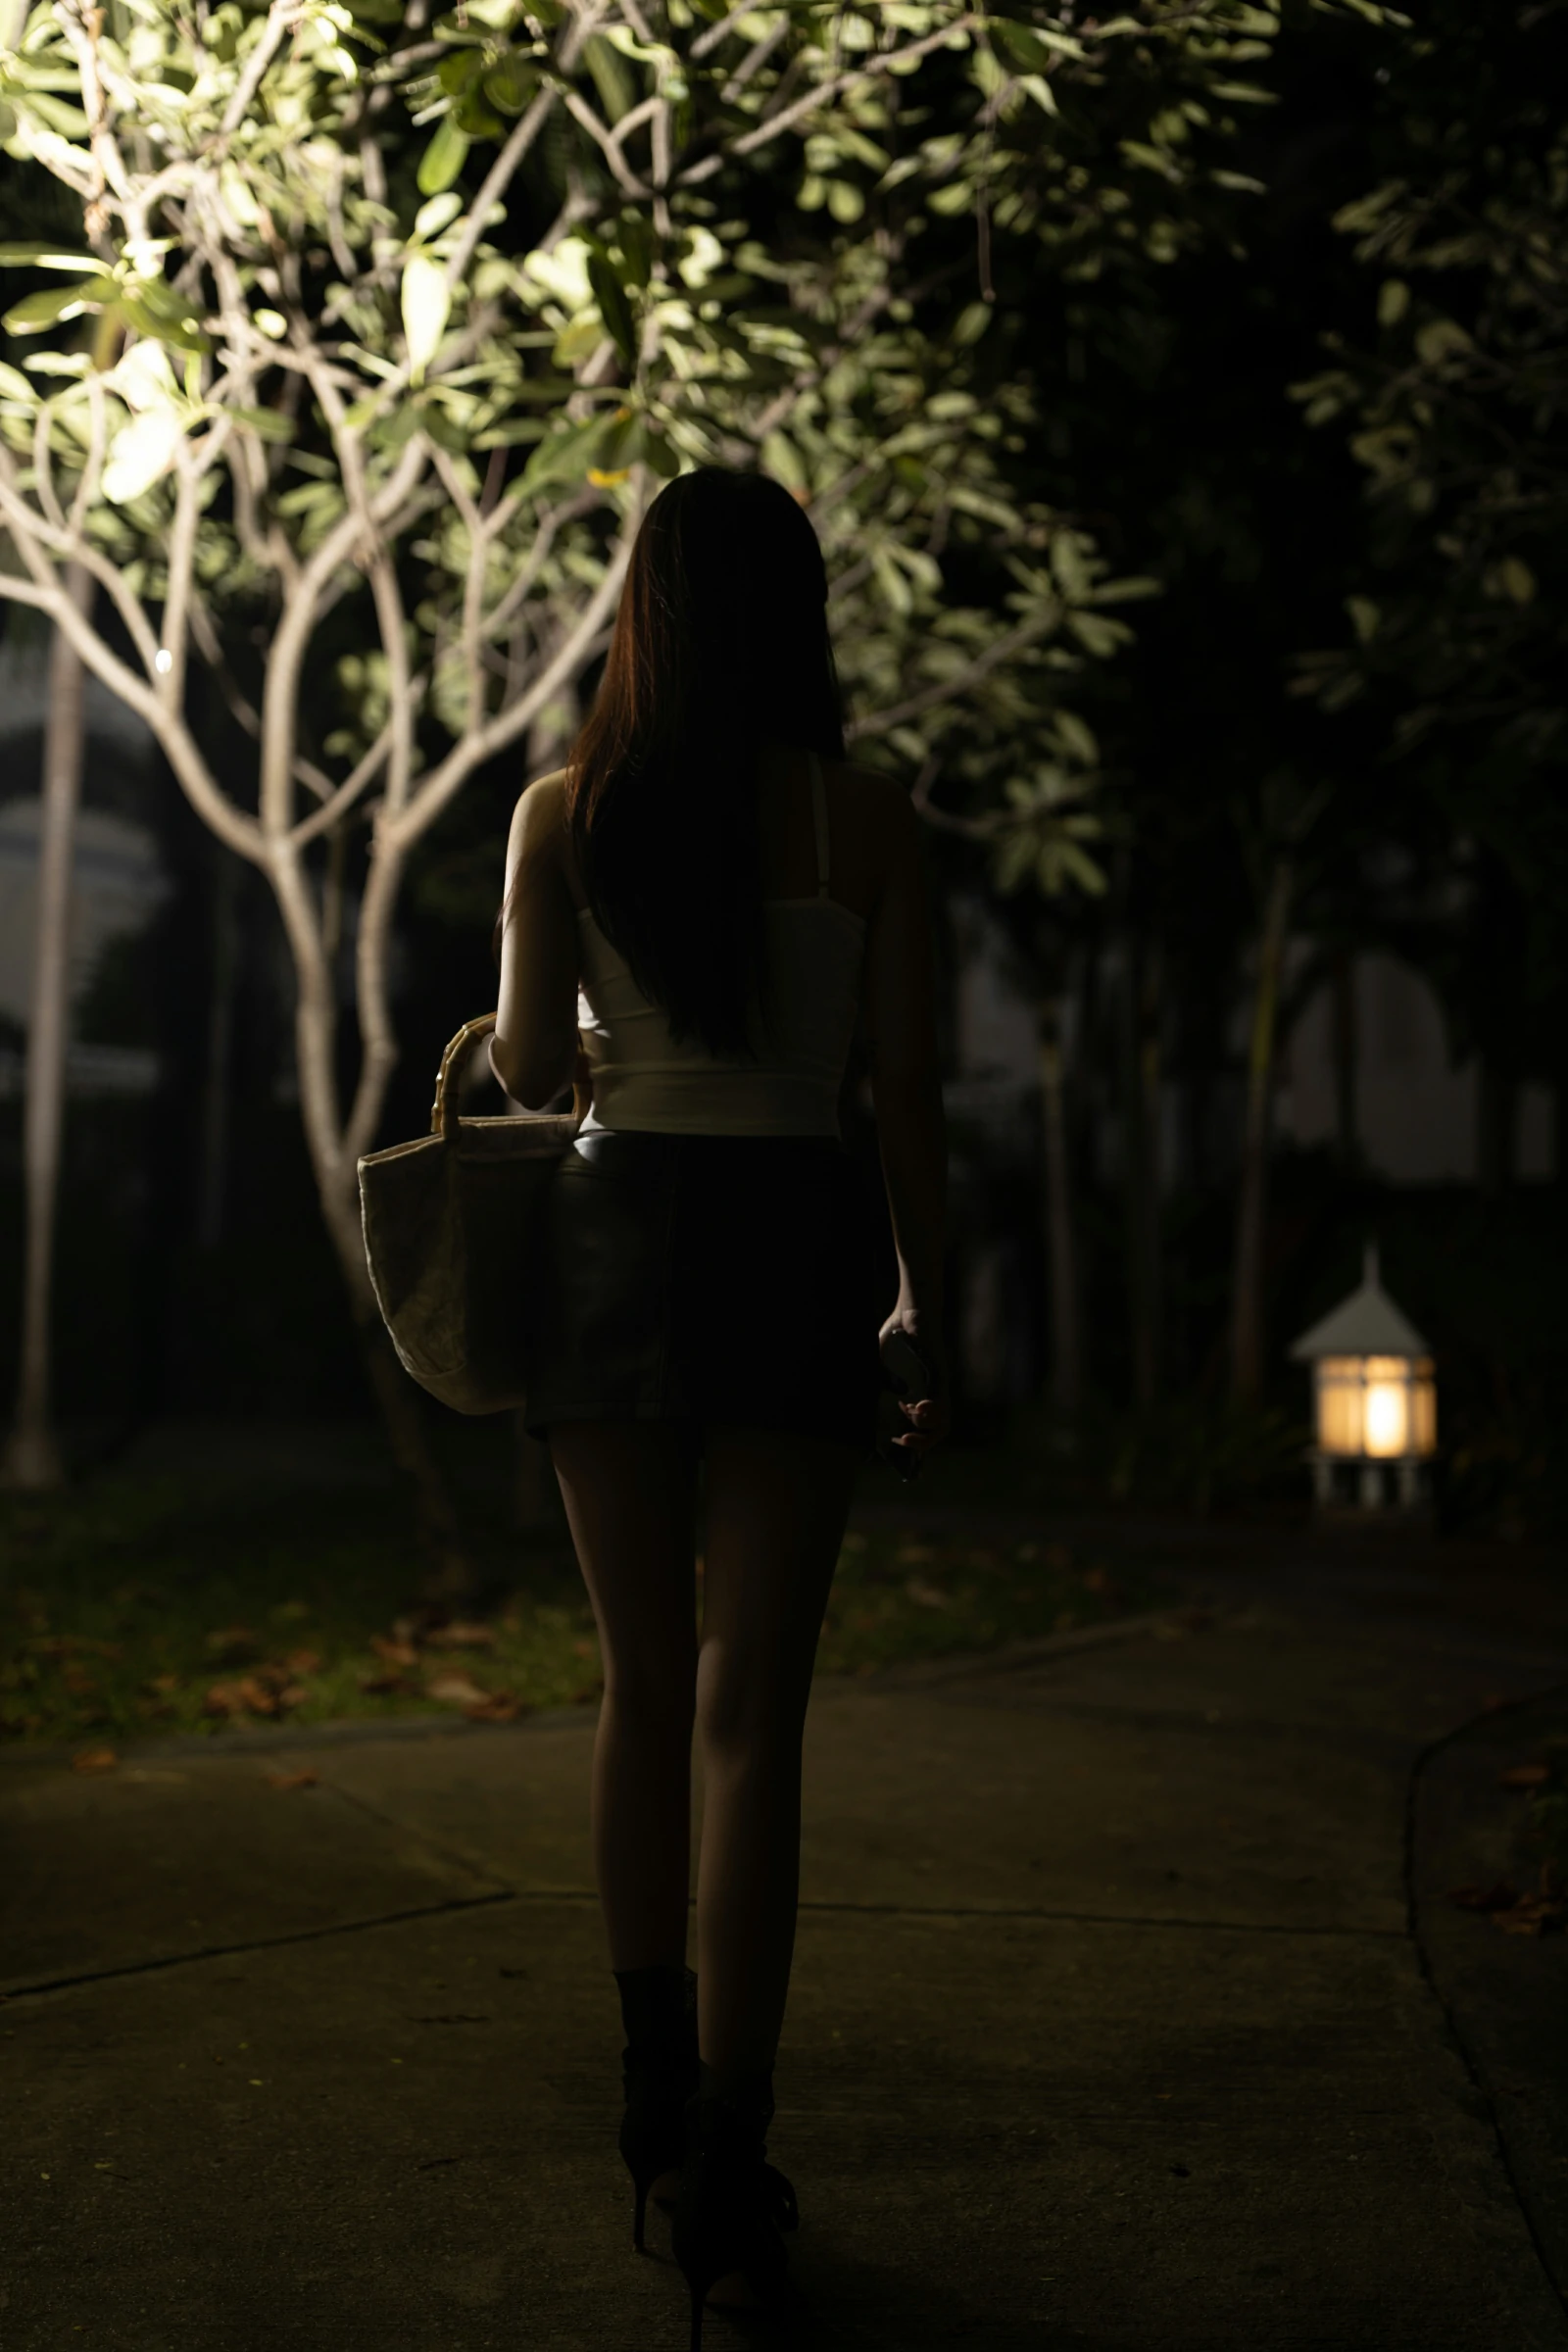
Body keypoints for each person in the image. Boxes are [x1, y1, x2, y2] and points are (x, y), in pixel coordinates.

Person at [491, 466, 949, 2345]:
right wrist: (929, 1313)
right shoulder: (869, 822)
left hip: (613, 1242)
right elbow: (903, 1098)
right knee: (755, 1710)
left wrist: (562, 1027)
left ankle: (648, 2099)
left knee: (638, 1680)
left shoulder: (565, 811)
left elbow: (533, 1069)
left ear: (647, 614)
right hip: (794, 1244)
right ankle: (734, 2156)